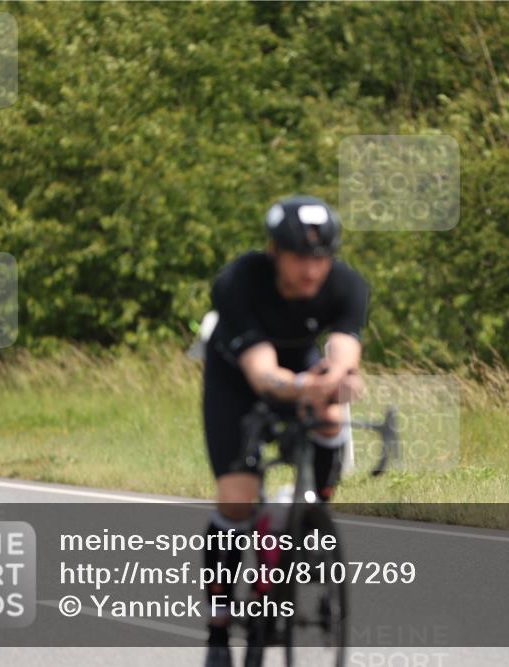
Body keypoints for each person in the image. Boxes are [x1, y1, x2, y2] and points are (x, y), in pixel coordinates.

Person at [200, 194, 369, 666]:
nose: (311, 271)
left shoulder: (347, 284)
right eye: (299, 258)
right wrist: (307, 386)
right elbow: (263, 375)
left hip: (298, 366)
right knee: (235, 498)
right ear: (274, 252)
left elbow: (343, 350)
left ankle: (310, 510)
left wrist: (337, 378)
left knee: (332, 415)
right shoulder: (239, 281)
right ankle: (218, 629)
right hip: (238, 380)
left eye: (321, 258)